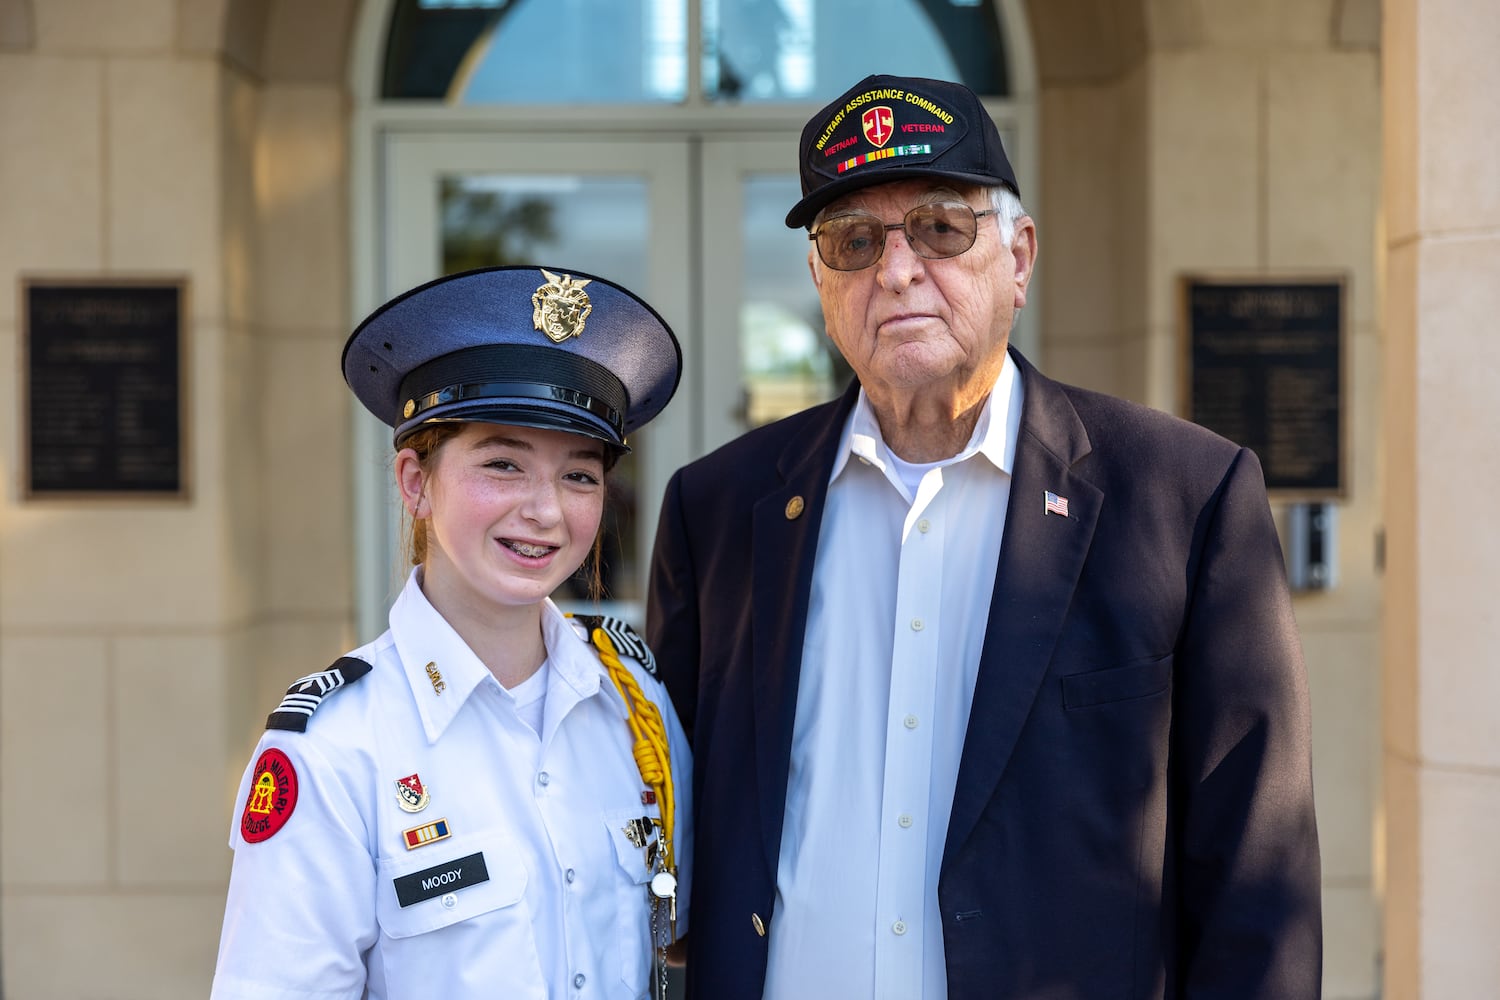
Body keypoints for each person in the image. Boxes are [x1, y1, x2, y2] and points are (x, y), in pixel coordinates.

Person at [647, 74, 1321, 999]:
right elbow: (671, 829)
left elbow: (1257, 885)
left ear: (1020, 257)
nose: (896, 270)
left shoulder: (1183, 498)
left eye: (940, 227)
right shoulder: (716, 509)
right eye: (854, 241)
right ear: (819, 279)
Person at [212, 266, 692, 1000]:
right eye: (503, 464)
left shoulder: (636, 707)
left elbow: (678, 946)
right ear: (415, 482)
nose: (546, 512)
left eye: (580, 476)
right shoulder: (335, 750)